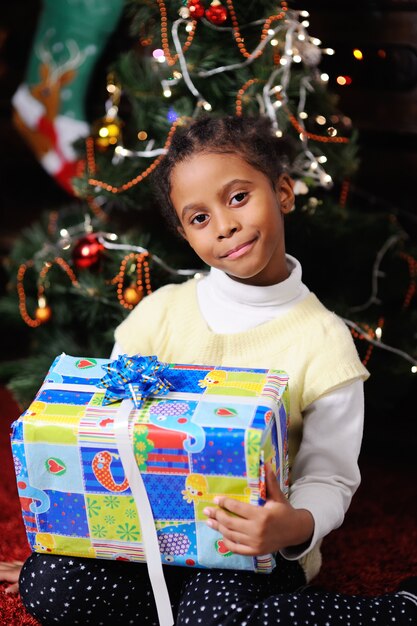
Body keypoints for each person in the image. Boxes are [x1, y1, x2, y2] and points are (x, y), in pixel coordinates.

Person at [1, 115, 417, 625]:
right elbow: (107, 429)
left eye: (238, 197)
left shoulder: (325, 344)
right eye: (199, 218)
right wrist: (83, 536)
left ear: (283, 192)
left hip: (249, 550)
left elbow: (330, 475)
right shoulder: (158, 313)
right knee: (47, 585)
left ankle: (394, 612)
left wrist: (292, 526)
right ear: (184, 234)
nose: (224, 225)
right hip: (148, 538)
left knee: (214, 612)